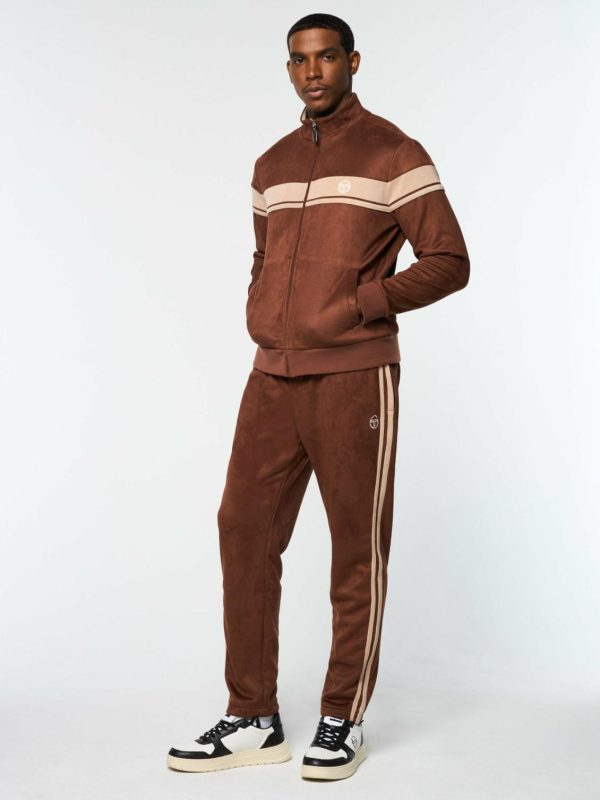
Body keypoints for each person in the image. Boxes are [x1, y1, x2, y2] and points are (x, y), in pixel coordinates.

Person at [167, 12, 469, 782]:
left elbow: (449, 259)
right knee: (243, 528)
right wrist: (261, 306)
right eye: (300, 60)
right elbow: (264, 256)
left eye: (327, 57)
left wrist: (362, 304)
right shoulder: (270, 164)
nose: (313, 72)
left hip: (354, 374)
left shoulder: (395, 153)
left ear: (352, 62)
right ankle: (252, 715)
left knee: (353, 544)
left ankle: (343, 717)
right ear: (288, 68)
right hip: (272, 374)